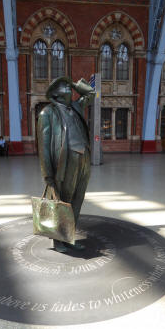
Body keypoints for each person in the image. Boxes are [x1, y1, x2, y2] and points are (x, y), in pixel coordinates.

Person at [37, 76, 95, 252]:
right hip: (66, 162)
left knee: (77, 200)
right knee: (63, 202)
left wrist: (77, 85)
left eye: (70, 87)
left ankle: (68, 236)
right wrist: (48, 175)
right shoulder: (47, 113)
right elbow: (44, 147)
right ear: (56, 94)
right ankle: (58, 240)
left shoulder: (75, 107)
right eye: (66, 87)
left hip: (84, 158)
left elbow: (91, 93)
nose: (70, 89)